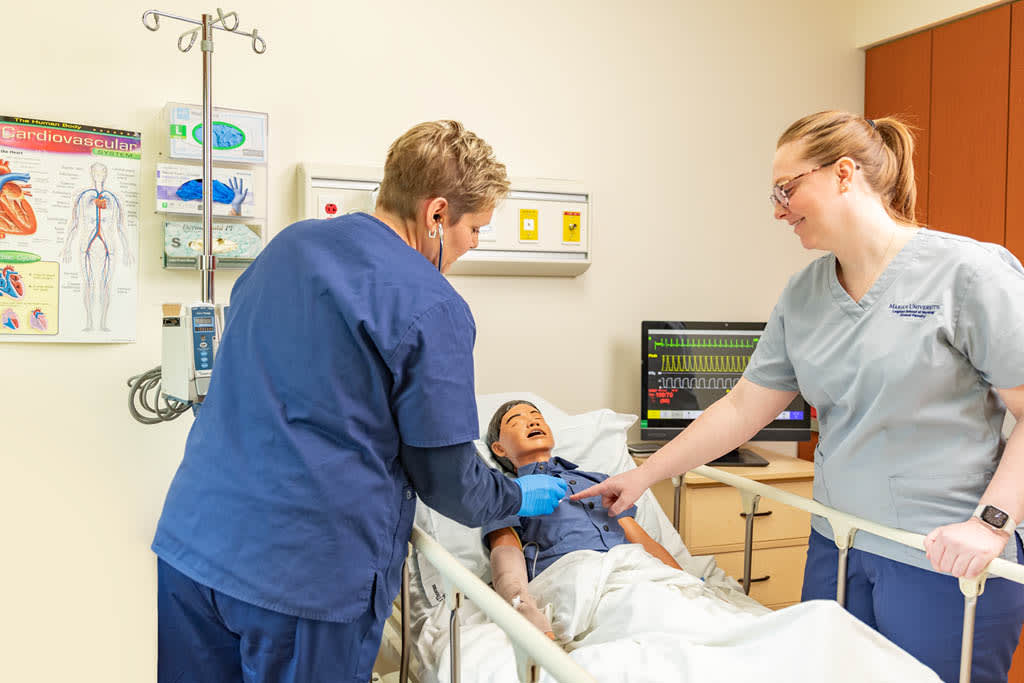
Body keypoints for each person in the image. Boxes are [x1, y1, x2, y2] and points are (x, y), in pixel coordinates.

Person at [574, 111, 1024, 683]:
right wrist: (641, 476)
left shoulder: (969, 274)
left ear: (843, 174)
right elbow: (742, 408)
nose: (779, 209)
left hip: (943, 558)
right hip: (837, 547)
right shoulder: (806, 293)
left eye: (788, 189)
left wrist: (990, 525)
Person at [151, 121, 568, 683]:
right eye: (475, 228)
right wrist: (516, 494)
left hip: (195, 548)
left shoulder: (288, 246)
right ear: (437, 214)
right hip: (302, 584)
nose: (472, 245)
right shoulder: (433, 305)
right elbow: (448, 481)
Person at [482, 400, 682, 638]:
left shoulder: (599, 480)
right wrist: (523, 607)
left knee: (682, 613)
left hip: (634, 570)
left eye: (537, 415)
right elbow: (506, 552)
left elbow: (637, 536)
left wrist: (687, 584)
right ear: (499, 449)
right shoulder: (505, 492)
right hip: (576, 579)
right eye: (516, 421)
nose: (533, 421)